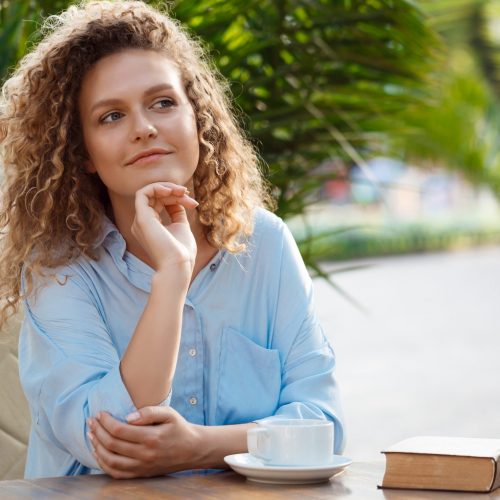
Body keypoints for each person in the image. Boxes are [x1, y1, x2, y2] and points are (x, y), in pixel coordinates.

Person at [0, 0, 344, 479]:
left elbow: (324, 426)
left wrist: (201, 446)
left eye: (163, 103)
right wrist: (173, 274)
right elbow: (111, 439)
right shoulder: (58, 266)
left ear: (196, 120)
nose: (144, 128)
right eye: (111, 116)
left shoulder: (265, 242)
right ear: (84, 155)